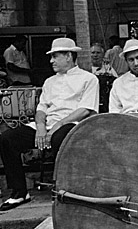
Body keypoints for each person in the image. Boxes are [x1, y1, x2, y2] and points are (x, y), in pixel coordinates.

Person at [0, 38, 99, 211]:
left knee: (59, 138)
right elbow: (41, 108)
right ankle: (20, 192)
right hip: (46, 125)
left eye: (55, 56)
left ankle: (65, 190)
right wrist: (39, 127)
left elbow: (85, 109)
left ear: (68, 56)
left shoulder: (88, 79)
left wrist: (58, 125)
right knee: (8, 139)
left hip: (74, 124)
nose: (51, 60)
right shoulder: (49, 82)